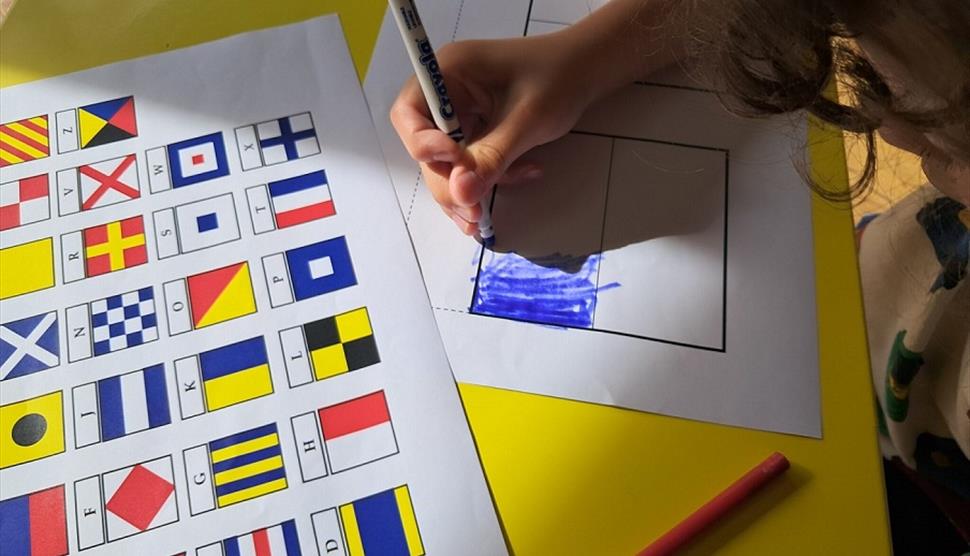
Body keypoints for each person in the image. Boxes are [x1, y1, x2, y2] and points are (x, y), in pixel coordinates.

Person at [390, 0, 969, 551]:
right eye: (884, 79)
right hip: (886, 308)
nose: (892, 134)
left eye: (951, 137)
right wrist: (583, 60)